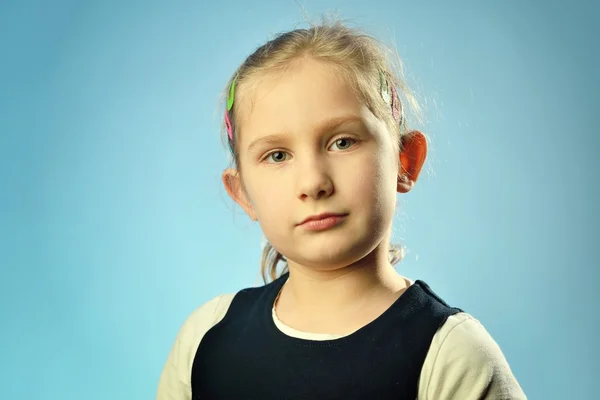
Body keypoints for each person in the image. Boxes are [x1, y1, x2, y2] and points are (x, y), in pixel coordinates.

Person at [157, 21, 527, 399]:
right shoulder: (205, 336)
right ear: (243, 194)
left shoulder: (451, 356)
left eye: (343, 142)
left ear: (405, 161)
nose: (313, 182)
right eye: (278, 155)